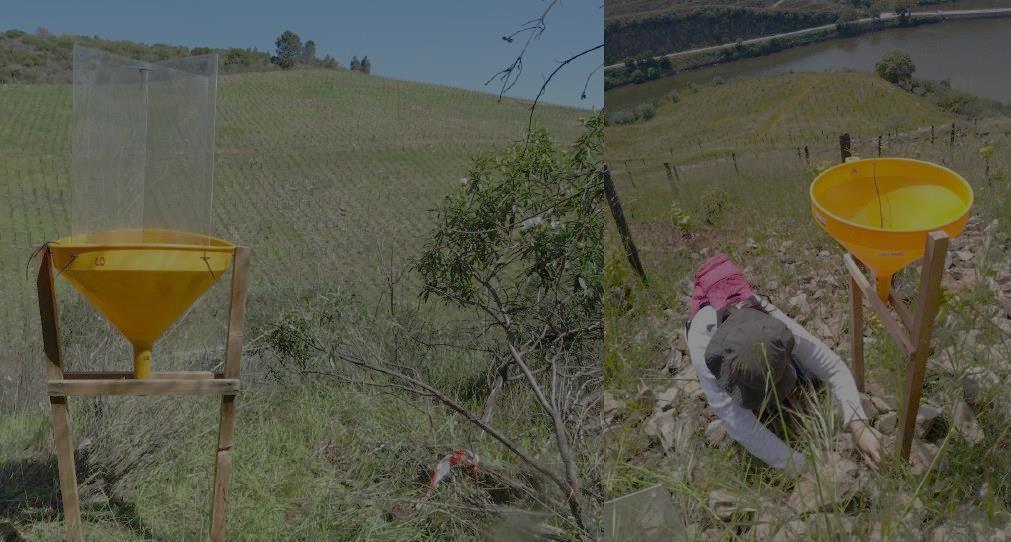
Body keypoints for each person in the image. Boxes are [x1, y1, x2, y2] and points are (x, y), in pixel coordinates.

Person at [686, 253, 882, 474]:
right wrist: (805, 468)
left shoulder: (771, 320)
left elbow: (832, 367)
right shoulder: (705, 351)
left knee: (811, 376)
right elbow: (738, 423)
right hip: (715, 338)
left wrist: (859, 426)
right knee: (764, 408)